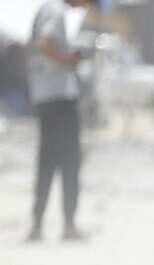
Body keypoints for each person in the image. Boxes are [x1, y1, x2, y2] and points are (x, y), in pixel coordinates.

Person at [26, 0, 95, 243]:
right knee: (69, 161)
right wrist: (69, 60)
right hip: (60, 98)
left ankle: (37, 225)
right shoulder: (55, 11)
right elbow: (44, 45)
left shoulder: (45, 9)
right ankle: (68, 225)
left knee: (46, 161)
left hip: (44, 97)